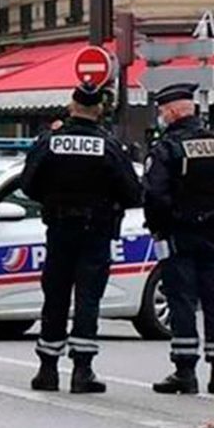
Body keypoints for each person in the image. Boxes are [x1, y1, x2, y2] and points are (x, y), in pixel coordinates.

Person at [20, 83, 143, 394]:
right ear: (99, 109)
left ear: (72, 106)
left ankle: (47, 369)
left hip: (60, 229)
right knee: (88, 299)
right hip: (96, 231)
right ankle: (82, 371)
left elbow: (28, 184)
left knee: (56, 295)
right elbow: (132, 191)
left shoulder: (51, 141)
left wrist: (52, 196)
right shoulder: (109, 146)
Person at [143, 83, 214, 395]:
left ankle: (185, 370)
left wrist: (160, 227)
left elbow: (155, 194)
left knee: (181, 300)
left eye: (161, 111)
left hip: (180, 234)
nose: (160, 117)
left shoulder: (169, 147)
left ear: (172, 111)